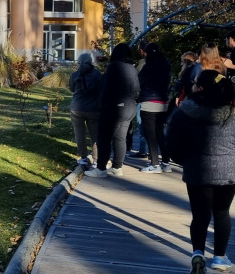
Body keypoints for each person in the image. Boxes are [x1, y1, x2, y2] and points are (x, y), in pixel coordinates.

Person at [166, 70, 235, 274]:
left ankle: (198, 253)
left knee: (199, 215)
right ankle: (220, 257)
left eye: (196, 84)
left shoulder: (185, 112)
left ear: (201, 88)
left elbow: (172, 142)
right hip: (227, 172)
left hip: (197, 170)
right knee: (222, 212)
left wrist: (184, 160)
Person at [85, 42, 139, 178]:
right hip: (129, 107)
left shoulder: (113, 67)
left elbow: (106, 88)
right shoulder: (132, 69)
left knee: (104, 138)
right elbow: (137, 88)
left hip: (114, 108)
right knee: (120, 138)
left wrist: (101, 106)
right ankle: (117, 167)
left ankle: (101, 169)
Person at [137, 42, 172, 173]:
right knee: (160, 133)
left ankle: (154, 164)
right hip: (163, 103)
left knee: (150, 135)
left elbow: (139, 82)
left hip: (149, 102)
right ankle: (166, 163)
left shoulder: (148, 67)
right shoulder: (166, 65)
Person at [69, 52, 102, 167]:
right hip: (93, 109)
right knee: (95, 134)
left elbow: (72, 89)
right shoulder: (97, 74)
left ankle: (83, 157)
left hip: (76, 108)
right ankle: (97, 159)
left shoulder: (74, 75)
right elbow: (101, 88)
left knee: (79, 133)